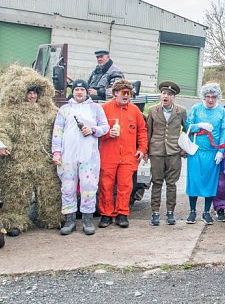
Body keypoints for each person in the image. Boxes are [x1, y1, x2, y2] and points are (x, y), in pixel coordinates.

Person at [0, 66, 62, 236]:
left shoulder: (49, 111)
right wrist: (3, 144)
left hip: (44, 159)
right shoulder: (8, 111)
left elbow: (61, 125)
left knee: (49, 189)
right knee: (16, 191)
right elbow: (1, 128)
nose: (32, 96)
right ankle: (14, 220)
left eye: (35, 93)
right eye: (28, 93)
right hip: (18, 159)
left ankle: (51, 216)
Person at [51, 80, 109, 236]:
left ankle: (87, 220)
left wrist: (93, 130)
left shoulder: (95, 108)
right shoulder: (65, 109)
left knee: (88, 188)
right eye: (76, 89)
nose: (79, 92)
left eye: (82, 89)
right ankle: (70, 221)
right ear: (73, 91)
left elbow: (105, 127)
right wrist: (56, 153)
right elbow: (57, 132)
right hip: (68, 156)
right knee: (68, 188)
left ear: (86, 92)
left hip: (88, 156)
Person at [97, 79, 148, 229]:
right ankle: (106, 214)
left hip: (128, 156)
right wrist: (107, 134)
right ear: (115, 93)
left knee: (125, 186)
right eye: (123, 93)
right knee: (106, 185)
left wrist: (142, 149)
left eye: (128, 94)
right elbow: (96, 131)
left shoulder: (135, 111)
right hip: (108, 155)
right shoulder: (104, 109)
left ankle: (122, 214)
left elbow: (142, 131)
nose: (126, 96)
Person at [185, 82, 225, 225]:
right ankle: (192, 211)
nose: (210, 100)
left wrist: (221, 151)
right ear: (204, 96)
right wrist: (199, 126)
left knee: (210, 182)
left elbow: (223, 132)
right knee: (194, 181)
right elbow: (187, 126)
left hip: (212, 152)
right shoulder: (196, 109)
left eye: (213, 97)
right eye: (208, 96)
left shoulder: (222, 111)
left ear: (217, 97)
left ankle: (206, 212)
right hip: (196, 151)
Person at [146, 81, 187, 227]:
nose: (165, 96)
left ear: (173, 97)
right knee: (156, 182)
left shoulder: (181, 111)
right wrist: (146, 151)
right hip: (156, 151)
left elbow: (186, 129)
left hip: (174, 152)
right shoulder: (152, 110)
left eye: (169, 94)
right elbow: (148, 131)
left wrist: (184, 147)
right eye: (163, 93)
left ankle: (170, 212)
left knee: (171, 184)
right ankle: (155, 212)